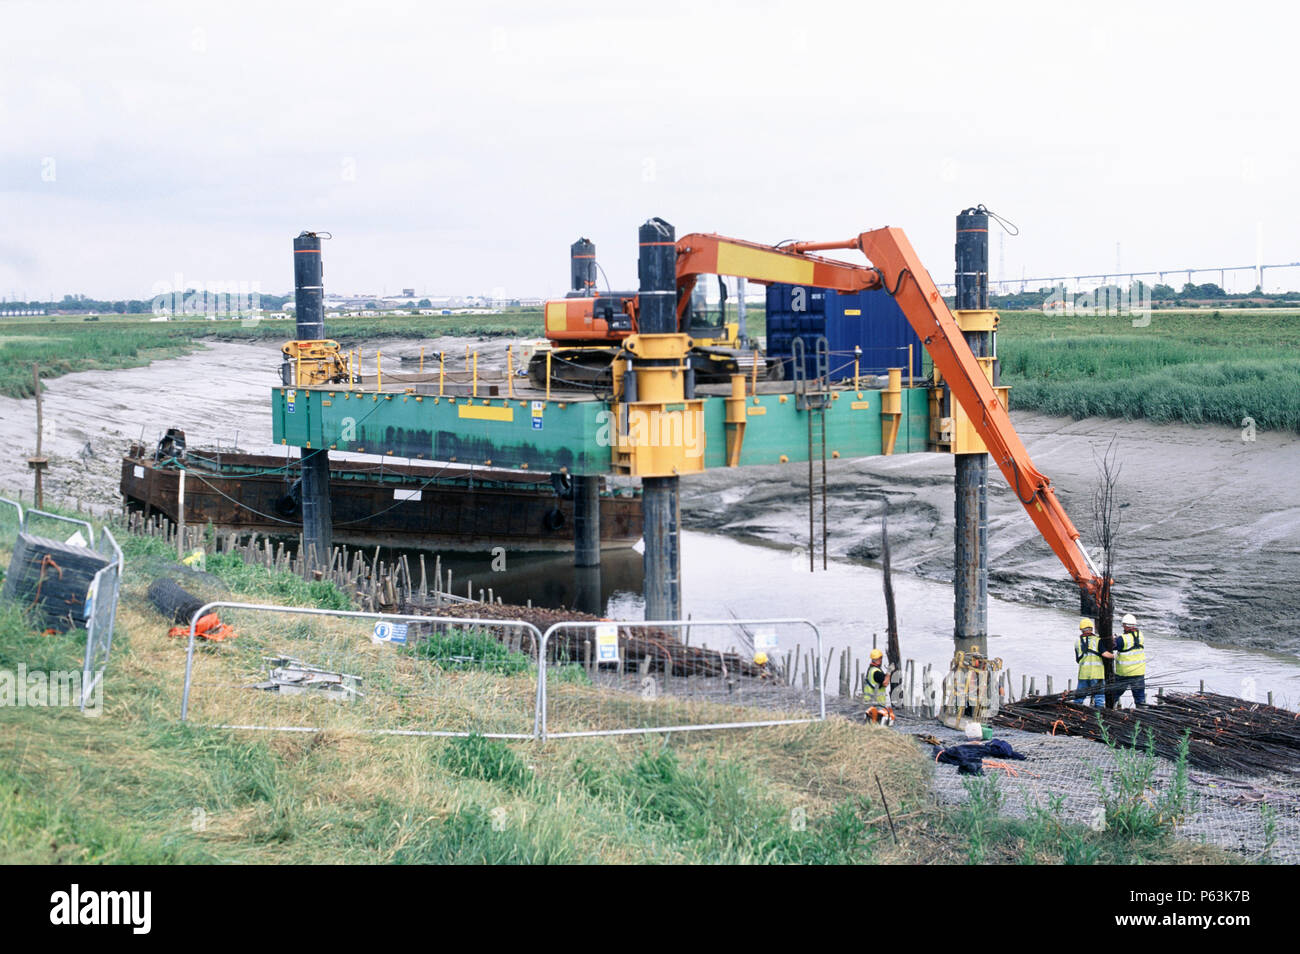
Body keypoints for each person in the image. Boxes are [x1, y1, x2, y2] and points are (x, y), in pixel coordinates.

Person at [1074, 618, 1113, 706]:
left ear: (1081, 629)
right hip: (1097, 674)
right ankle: (1098, 714)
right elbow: (1105, 654)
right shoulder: (1097, 640)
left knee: (1079, 697)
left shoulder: (1077, 642)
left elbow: (1077, 659)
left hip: (1083, 674)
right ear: (1091, 629)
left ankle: (1075, 711)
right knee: (1099, 697)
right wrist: (1114, 656)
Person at [1113, 613, 1146, 706]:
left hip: (1124, 673)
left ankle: (1109, 711)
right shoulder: (1141, 635)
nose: (1123, 627)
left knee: (1114, 694)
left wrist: (1113, 639)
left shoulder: (1122, 639)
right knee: (1140, 698)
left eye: (1123, 625)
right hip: (1139, 672)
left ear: (1126, 626)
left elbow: (1112, 646)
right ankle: (1141, 714)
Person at [863, 648, 893, 724]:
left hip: (869, 700)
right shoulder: (876, 672)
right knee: (889, 716)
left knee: (871, 721)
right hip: (876, 702)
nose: (881, 660)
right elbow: (885, 683)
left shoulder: (871, 669)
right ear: (879, 659)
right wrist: (889, 671)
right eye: (881, 658)